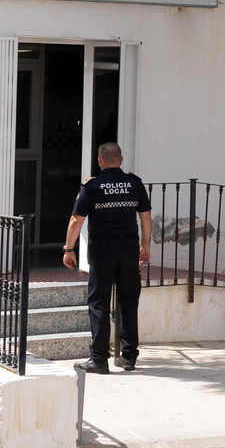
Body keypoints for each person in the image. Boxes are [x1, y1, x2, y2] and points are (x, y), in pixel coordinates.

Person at [62, 142, 151, 374]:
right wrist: (145, 245)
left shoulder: (92, 186)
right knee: (129, 302)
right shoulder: (135, 183)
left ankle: (99, 359)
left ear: (100, 161)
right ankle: (129, 357)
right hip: (129, 248)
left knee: (99, 302)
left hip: (102, 249)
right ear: (121, 160)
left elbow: (76, 220)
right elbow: (146, 218)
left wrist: (68, 249)